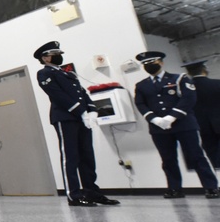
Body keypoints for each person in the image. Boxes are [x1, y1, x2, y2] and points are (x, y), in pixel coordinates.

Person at [33, 42, 119, 207]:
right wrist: (80, 111)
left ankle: (92, 192)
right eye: (54, 53)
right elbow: (57, 95)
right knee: (70, 157)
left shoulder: (67, 73)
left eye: (59, 52)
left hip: (82, 118)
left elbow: (82, 92)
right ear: (45, 57)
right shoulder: (44, 73)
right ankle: (74, 195)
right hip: (65, 117)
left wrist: (92, 110)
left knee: (87, 156)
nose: (59, 55)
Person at [134, 51, 219, 198]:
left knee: (196, 155)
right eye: (145, 64)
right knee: (168, 159)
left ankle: (211, 187)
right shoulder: (142, 85)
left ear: (160, 62)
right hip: (158, 127)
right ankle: (175, 188)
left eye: (152, 62)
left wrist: (172, 117)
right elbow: (140, 104)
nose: (149, 66)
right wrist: (154, 119)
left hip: (183, 124)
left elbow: (189, 98)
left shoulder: (179, 78)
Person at [183, 60, 220, 168]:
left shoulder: (185, 89)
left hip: (201, 126)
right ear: (204, 69)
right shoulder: (217, 84)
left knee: (212, 153)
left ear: (189, 73)